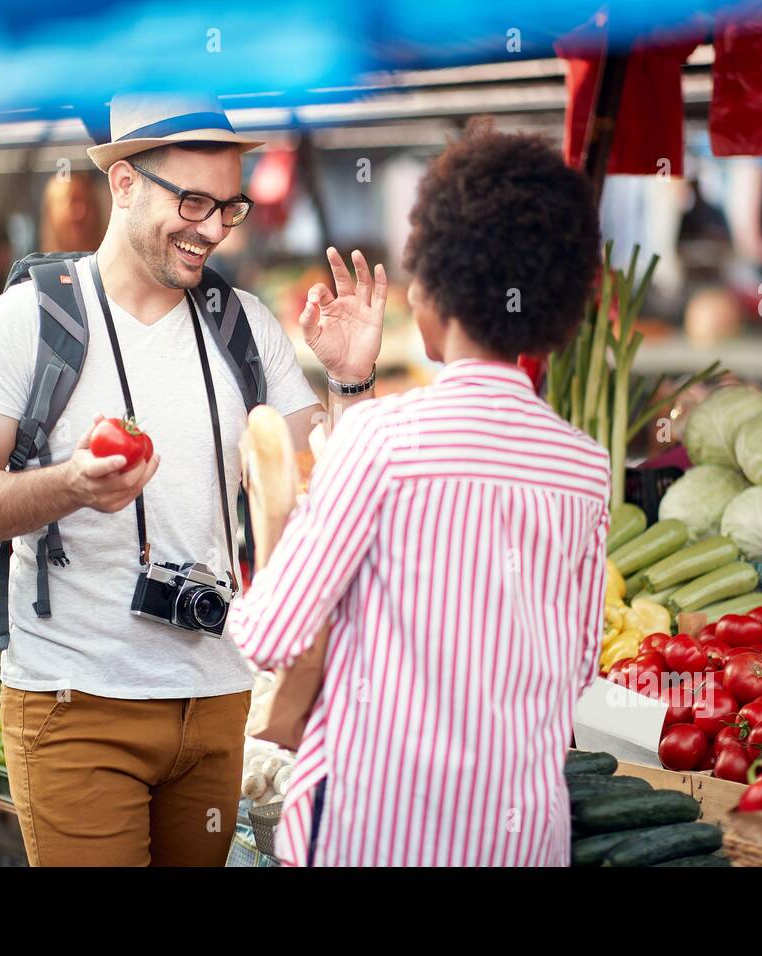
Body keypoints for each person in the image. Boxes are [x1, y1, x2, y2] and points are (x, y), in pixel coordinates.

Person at [0, 93, 386, 866]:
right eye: (194, 201)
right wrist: (68, 485)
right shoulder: (24, 322)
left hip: (217, 699)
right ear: (126, 184)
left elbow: (321, 489)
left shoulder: (245, 325)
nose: (211, 228)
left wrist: (351, 381)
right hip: (77, 704)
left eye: (228, 208)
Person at [228, 125, 610, 866]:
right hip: (521, 838)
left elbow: (271, 635)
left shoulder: (380, 438)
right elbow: (578, 668)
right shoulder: (584, 466)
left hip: (376, 831)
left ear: (433, 287)